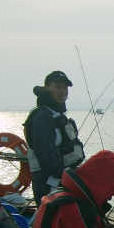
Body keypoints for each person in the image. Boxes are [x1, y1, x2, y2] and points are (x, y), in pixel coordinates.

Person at [22, 70, 85, 204]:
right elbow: (46, 156)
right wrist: (67, 178)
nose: (62, 92)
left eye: (65, 88)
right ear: (47, 88)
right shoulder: (42, 117)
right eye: (57, 87)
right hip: (48, 184)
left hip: (63, 180)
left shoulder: (58, 116)